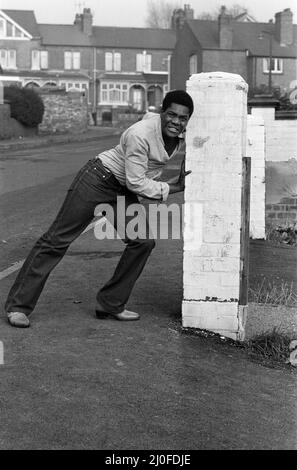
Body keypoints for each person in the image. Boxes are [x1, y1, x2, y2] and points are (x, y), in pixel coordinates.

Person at [5, 90, 194, 328]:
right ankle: (18, 307)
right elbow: (136, 182)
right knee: (57, 240)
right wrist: (174, 187)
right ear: (162, 113)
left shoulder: (182, 133)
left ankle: (110, 304)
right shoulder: (140, 134)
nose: (176, 122)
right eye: (171, 114)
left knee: (142, 242)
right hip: (97, 179)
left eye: (182, 118)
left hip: (122, 190)